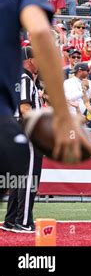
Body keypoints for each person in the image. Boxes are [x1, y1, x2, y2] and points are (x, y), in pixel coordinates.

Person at [0, 0, 91, 210]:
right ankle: (19, 221)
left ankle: (15, 220)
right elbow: (42, 35)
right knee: (23, 174)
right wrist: (63, 117)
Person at [3, 47, 43, 233]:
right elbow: (26, 109)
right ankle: (24, 221)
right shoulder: (24, 79)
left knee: (18, 179)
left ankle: (11, 220)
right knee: (29, 178)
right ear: (29, 60)